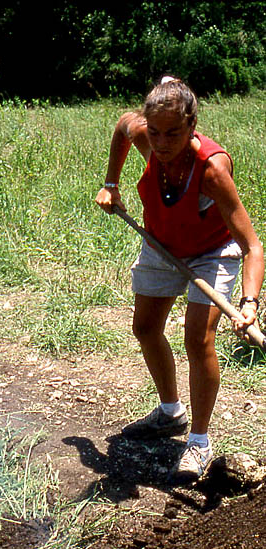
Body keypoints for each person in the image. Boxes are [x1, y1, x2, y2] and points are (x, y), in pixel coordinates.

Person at [95, 76, 264, 482]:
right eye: (155, 132)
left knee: (198, 338)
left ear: (192, 127)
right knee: (145, 327)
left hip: (211, 254)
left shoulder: (212, 171)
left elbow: (252, 246)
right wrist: (111, 184)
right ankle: (170, 413)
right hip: (161, 244)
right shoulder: (144, 136)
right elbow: (123, 125)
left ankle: (200, 443)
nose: (162, 142)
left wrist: (249, 305)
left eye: (173, 133)